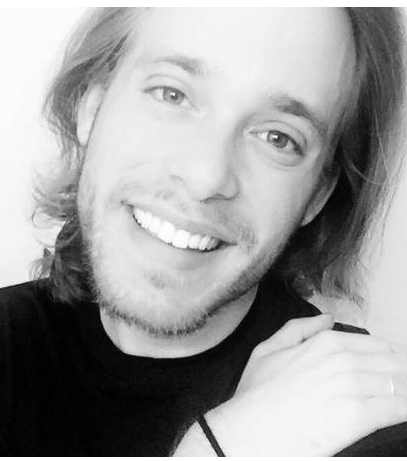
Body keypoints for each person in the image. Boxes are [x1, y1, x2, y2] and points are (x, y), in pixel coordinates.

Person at [1, 7, 406, 456]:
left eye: (278, 138)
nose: (205, 177)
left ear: (317, 196)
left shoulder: (357, 417)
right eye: (171, 94)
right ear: (91, 110)